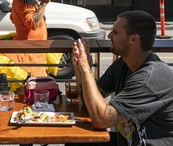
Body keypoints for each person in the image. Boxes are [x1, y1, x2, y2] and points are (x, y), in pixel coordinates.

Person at [68, 10, 173, 146]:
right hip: (123, 141)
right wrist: (79, 68)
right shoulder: (122, 64)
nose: (109, 35)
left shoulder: (149, 79)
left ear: (133, 39)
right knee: (74, 142)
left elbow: (101, 119)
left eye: (115, 32)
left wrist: (86, 69)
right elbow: (89, 103)